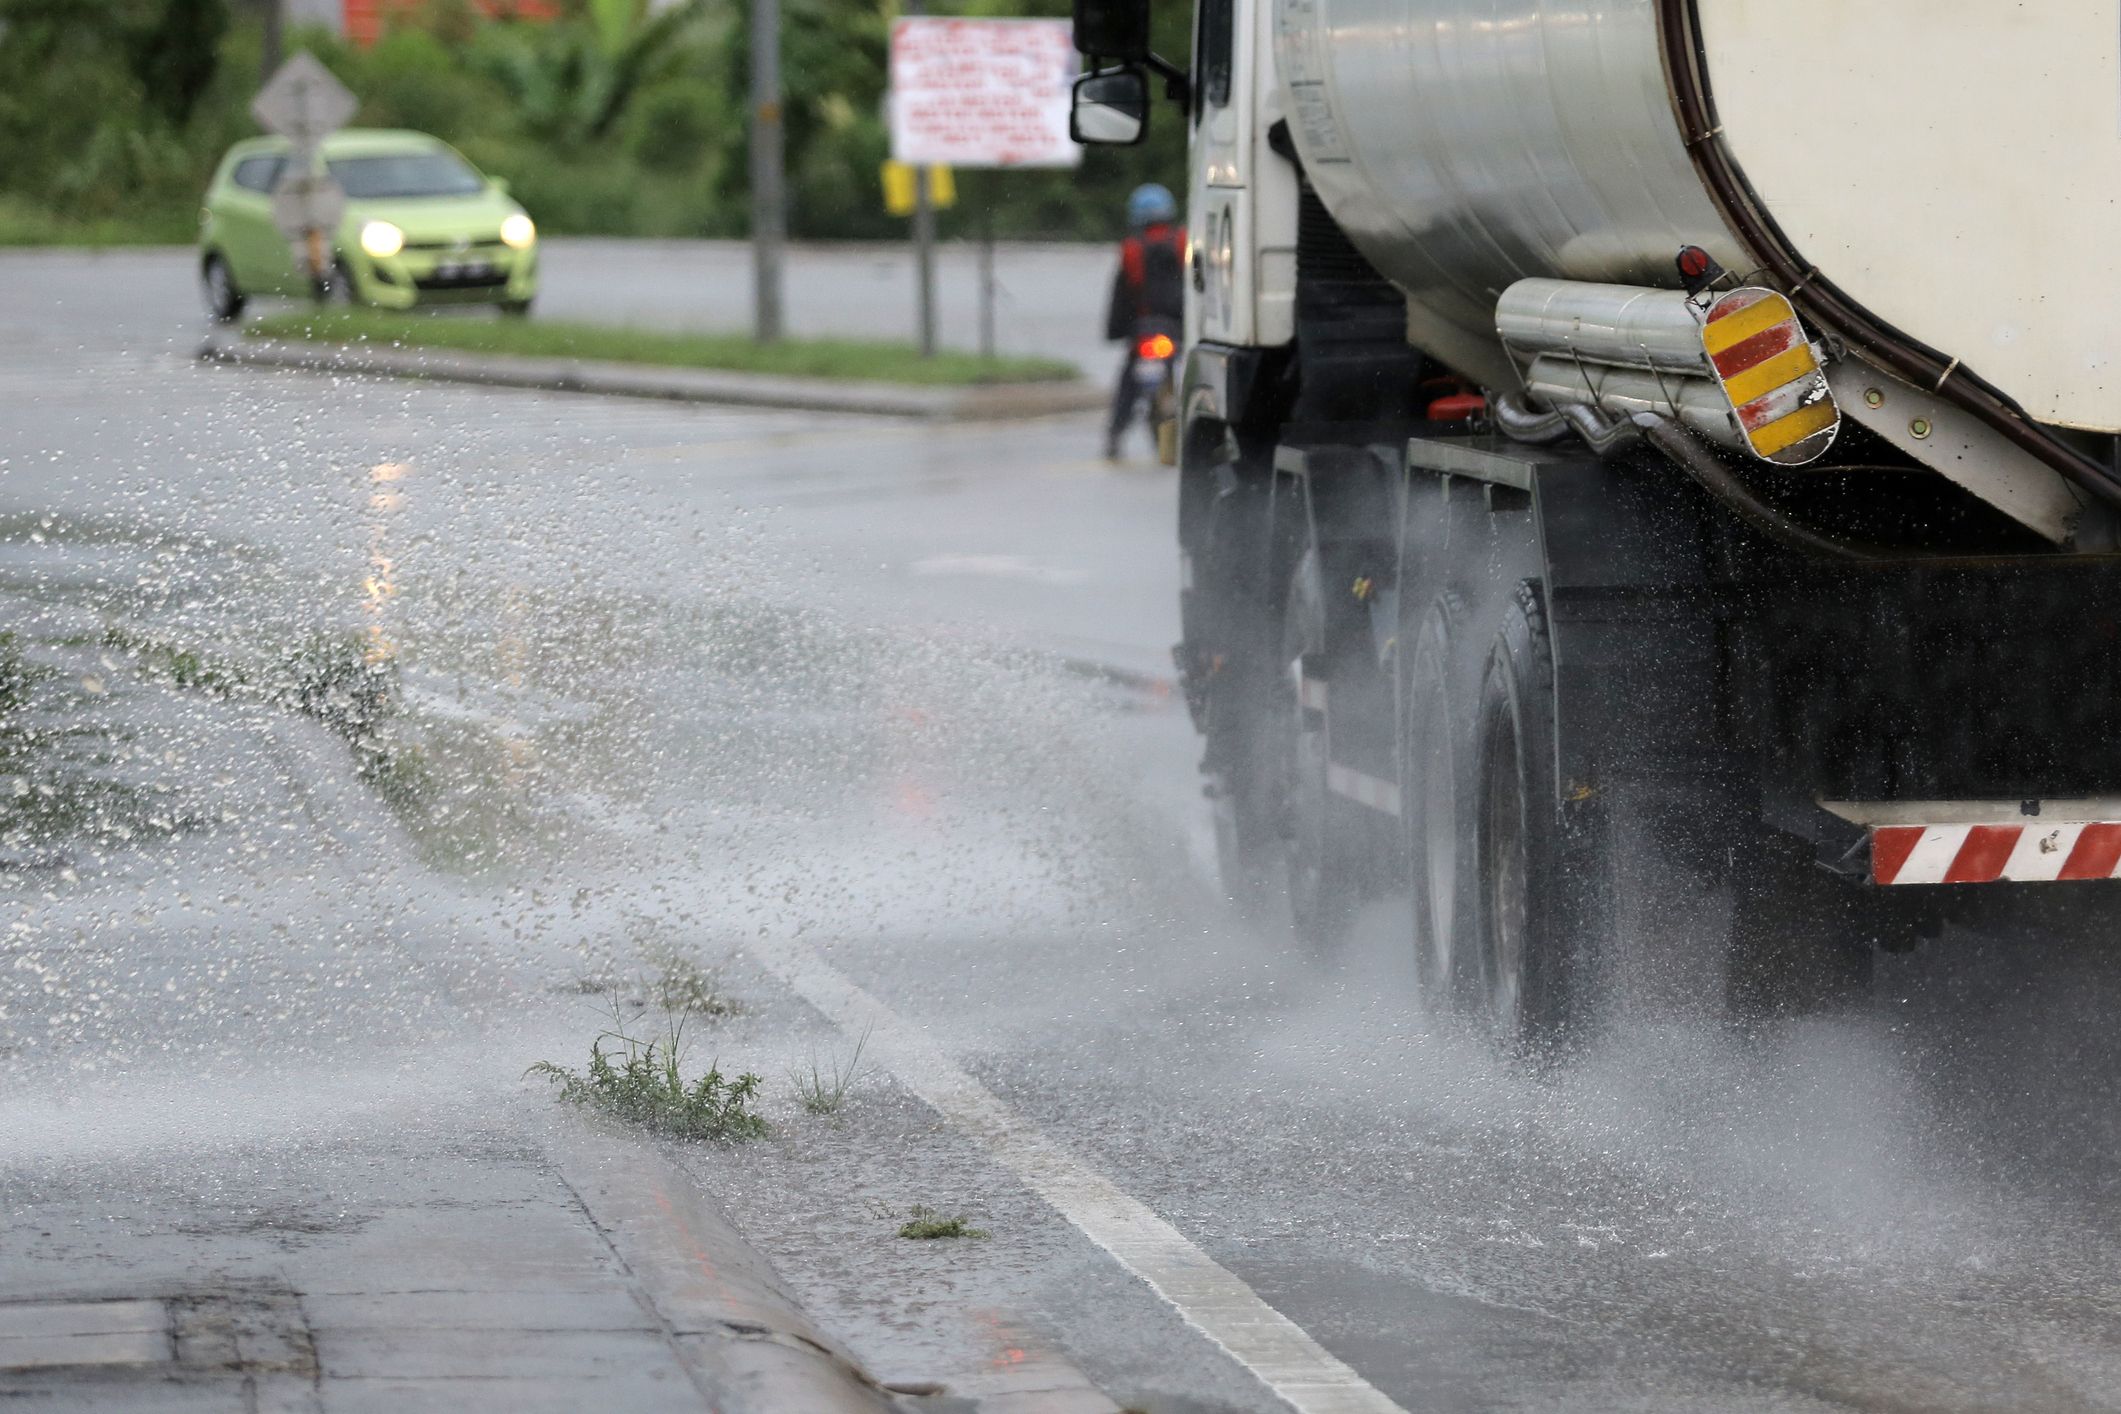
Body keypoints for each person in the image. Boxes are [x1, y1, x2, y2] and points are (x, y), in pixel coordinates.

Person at [1103, 183, 1186, 459]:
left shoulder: (1132, 248)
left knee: (1129, 383)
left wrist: (1116, 331)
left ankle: (1116, 434)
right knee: (1183, 377)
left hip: (1143, 330)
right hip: (1176, 328)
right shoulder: (1183, 240)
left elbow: (1122, 294)